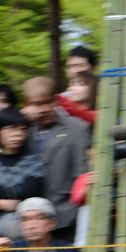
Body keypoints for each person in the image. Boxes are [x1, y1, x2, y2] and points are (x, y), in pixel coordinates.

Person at [21, 77, 91, 242]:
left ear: (55, 99)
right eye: (36, 104)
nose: (43, 109)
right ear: (27, 104)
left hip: (65, 216)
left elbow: (83, 175)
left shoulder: (77, 128)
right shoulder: (23, 130)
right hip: (29, 220)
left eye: (47, 102)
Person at [0, 107, 44, 239]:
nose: (18, 134)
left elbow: (31, 190)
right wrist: (3, 203)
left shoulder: (34, 160)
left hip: (23, 220)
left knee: (13, 225)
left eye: (22, 129)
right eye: (11, 128)